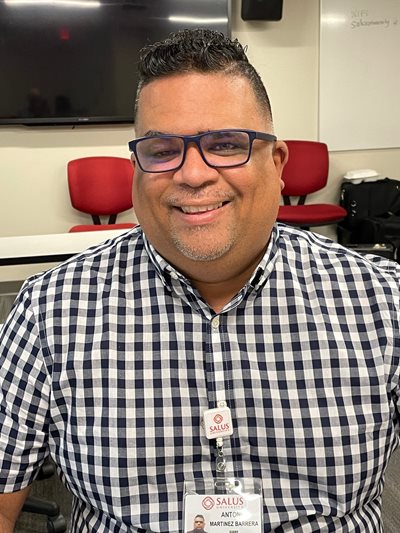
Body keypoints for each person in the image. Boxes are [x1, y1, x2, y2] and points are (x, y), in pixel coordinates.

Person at [0, 28, 399, 533]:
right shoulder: (50, 312)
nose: (191, 175)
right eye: (162, 149)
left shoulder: (383, 304)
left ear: (276, 165)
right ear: (136, 169)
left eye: (226, 144)